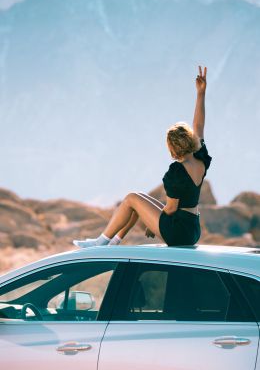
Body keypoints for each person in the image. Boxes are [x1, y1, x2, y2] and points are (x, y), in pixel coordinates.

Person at [73, 65, 212, 248]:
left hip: (178, 231)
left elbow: (170, 209)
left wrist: (156, 224)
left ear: (173, 148)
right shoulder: (200, 157)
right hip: (192, 228)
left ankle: (101, 242)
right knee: (139, 198)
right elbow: (199, 124)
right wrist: (201, 93)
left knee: (131, 198)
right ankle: (114, 241)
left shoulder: (177, 170)